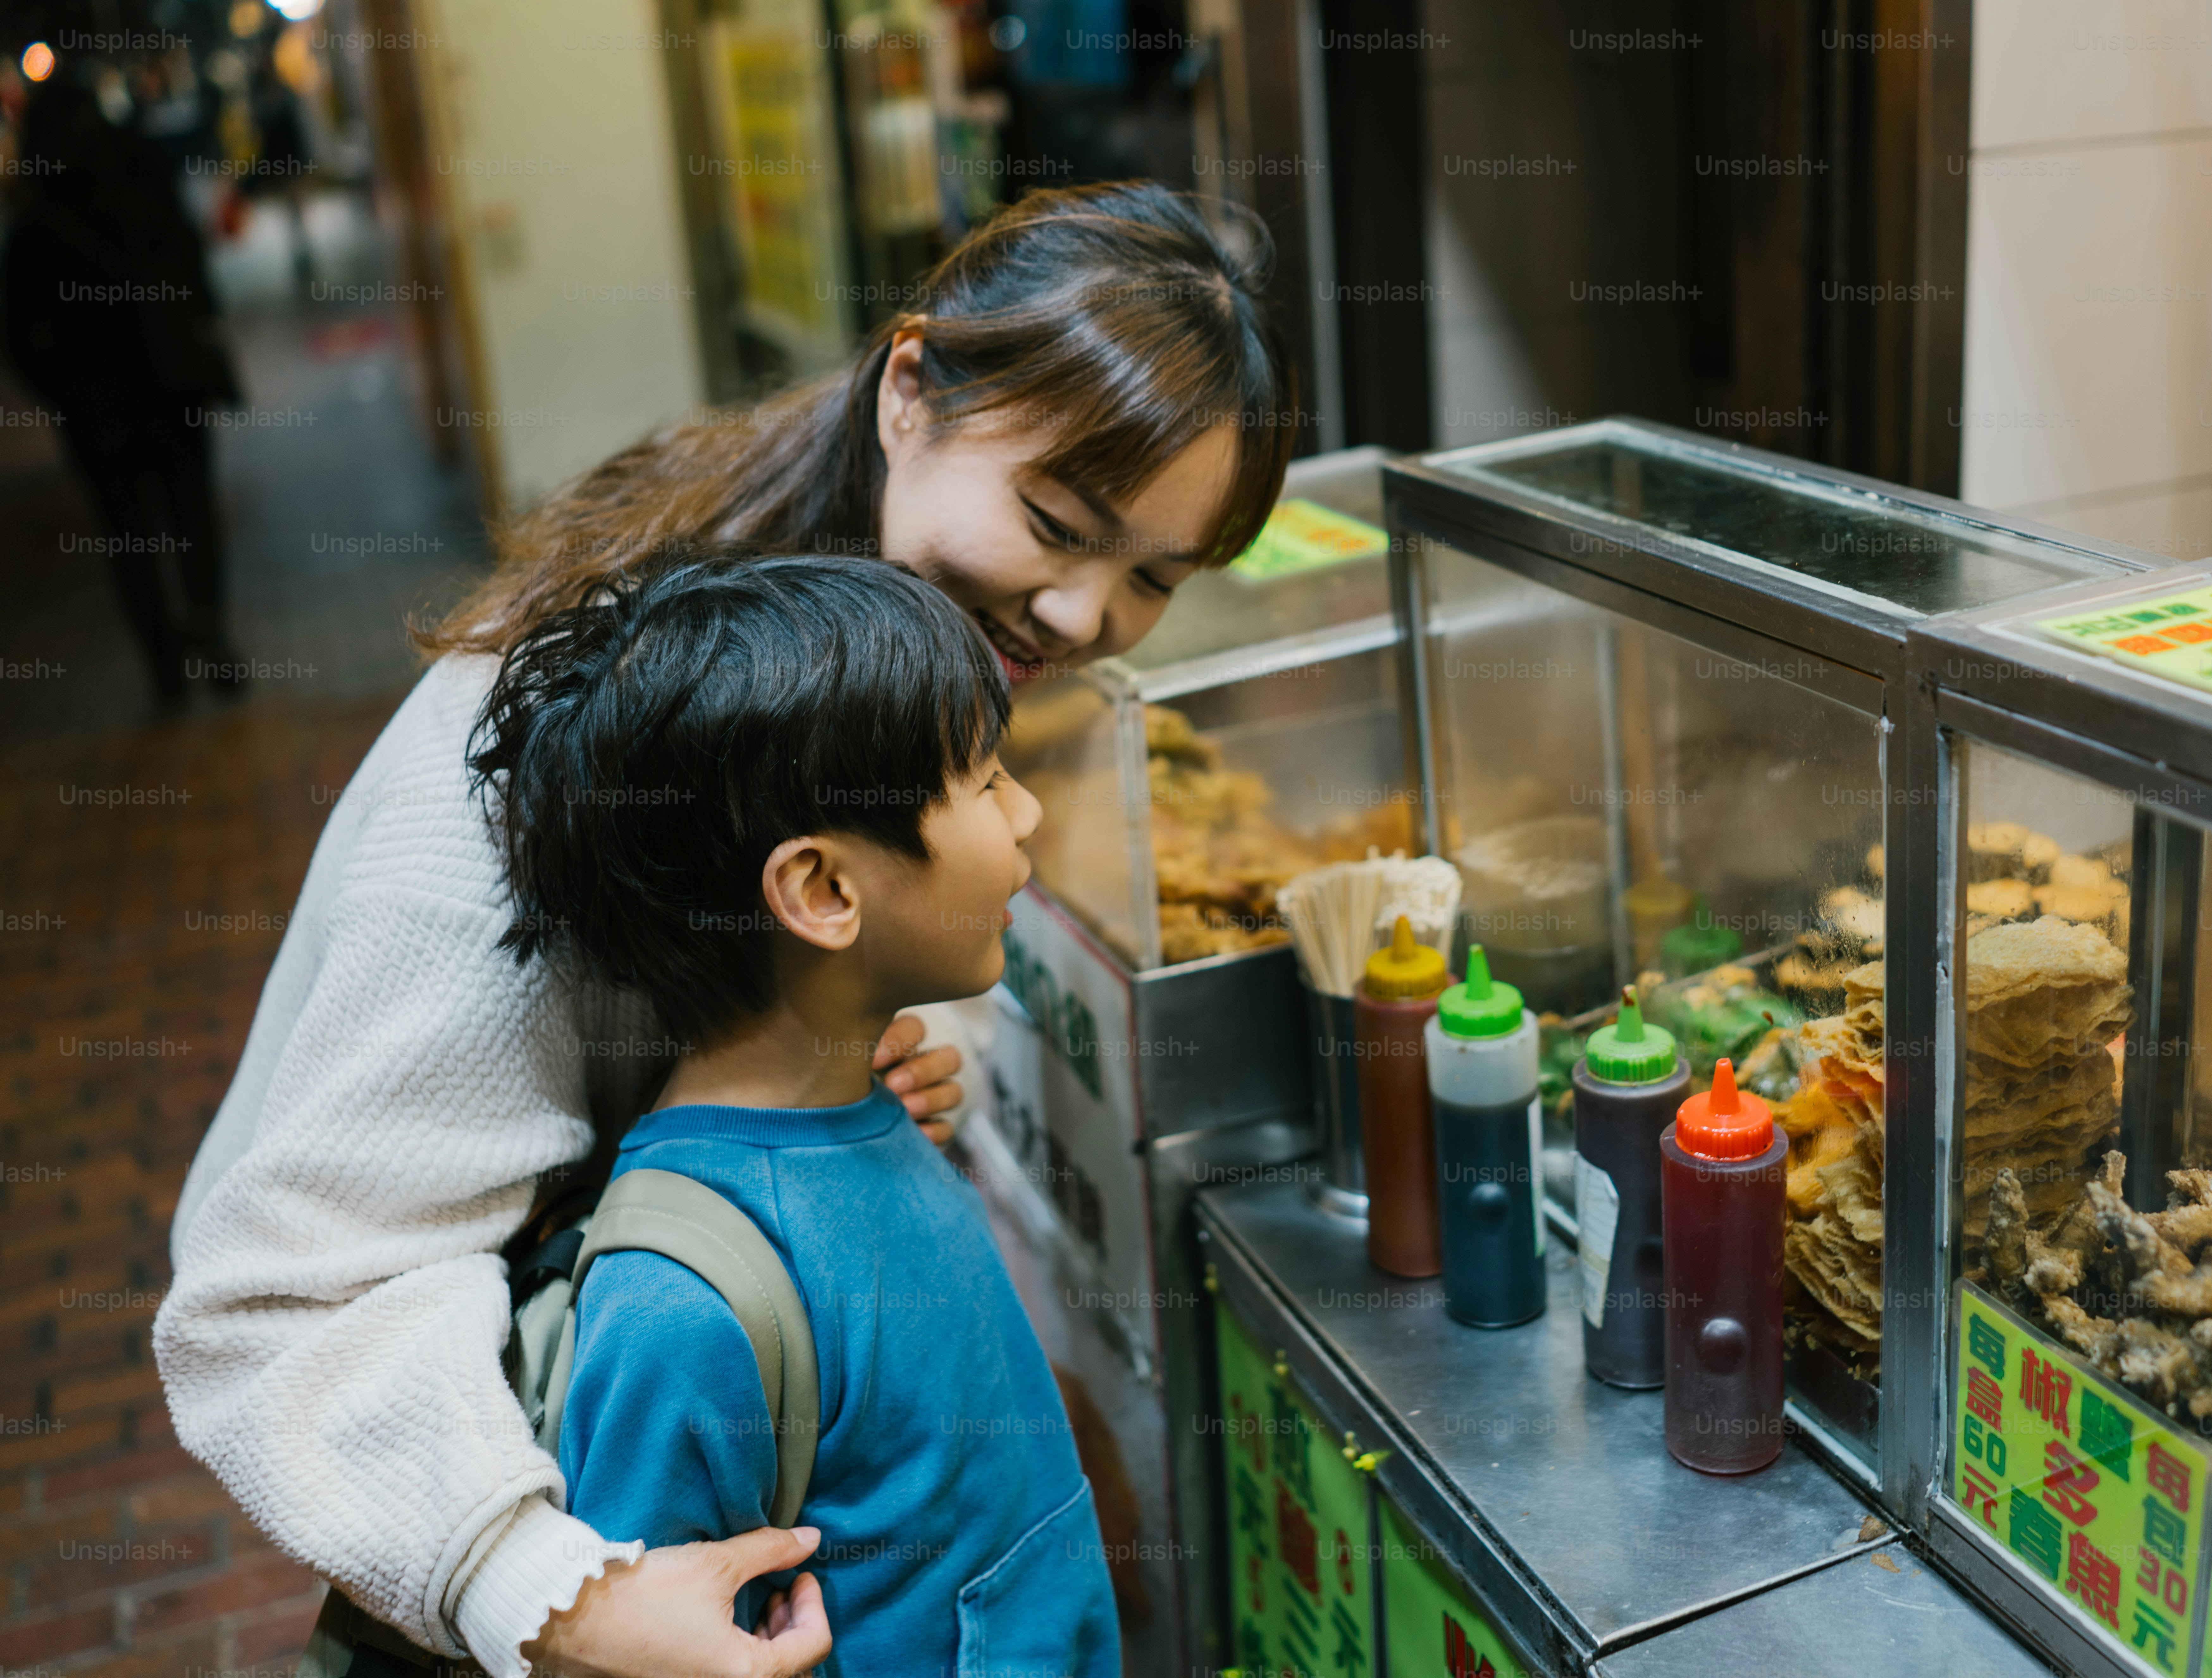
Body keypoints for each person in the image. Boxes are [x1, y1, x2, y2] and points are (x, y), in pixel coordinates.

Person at [155, 179, 1294, 1678]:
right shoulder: (585, 732)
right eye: (1054, 523)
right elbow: (277, 1291)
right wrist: (540, 1587)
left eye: (1154, 574)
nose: (1087, 615)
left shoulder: (882, 649)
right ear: (909, 390)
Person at [476, 553, 1116, 1678]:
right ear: (823, 894)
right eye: (982, 779)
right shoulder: (686, 1306)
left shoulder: (867, 1113)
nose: (1029, 810)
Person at [1, 74, 245, 710]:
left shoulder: (36, 220)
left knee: (128, 540)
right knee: (191, 516)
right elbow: (190, 263)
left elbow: (20, 336)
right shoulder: (140, 173)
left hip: (98, 416)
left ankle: (166, 666)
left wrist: (64, 394)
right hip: (171, 386)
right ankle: (209, 630)